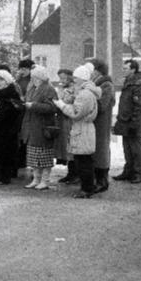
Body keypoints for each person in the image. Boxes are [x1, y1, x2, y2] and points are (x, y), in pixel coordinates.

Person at [53, 64, 101, 198]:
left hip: (82, 129)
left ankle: (86, 189)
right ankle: (86, 188)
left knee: (84, 161)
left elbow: (76, 113)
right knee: (83, 160)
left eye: (75, 78)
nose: (73, 80)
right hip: (83, 129)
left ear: (81, 78)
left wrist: (62, 105)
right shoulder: (85, 92)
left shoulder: (84, 94)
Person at [20, 65, 59, 190]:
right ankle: (36, 179)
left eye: (35, 77)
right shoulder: (32, 88)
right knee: (33, 156)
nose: (33, 79)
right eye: (32, 77)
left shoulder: (49, 89)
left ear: (41, 78)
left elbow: (52, 107)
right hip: (31, 126)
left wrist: (34, 105)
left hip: (43, 127)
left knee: (44, 156)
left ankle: (45, 180)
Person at [112, 59, 141, 184]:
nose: (123, 70)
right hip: (125, 121)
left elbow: (140, 106)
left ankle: (138, 173)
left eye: (125, 68)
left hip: (133, 122)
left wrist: (134, 123)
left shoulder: (138, 85)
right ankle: (128, 171)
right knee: (127, 147)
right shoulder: (129, 83)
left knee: (136, 148)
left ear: (133, 69)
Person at [87, 58, 116, 193]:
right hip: (95, 122)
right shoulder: (96, 83)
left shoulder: (106, 85)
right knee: (96, 150)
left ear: (98, 71)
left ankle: (102, 180)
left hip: (101, 123)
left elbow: (102, 105)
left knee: (101, 150)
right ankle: (97, 178)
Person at [55, 68, 79, 185]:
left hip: (70, 121)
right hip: (63, 121)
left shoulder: (74, 89)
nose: (62, 80)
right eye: (60, 78)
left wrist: (59, 102)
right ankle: (70, 173)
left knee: (72, 147)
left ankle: (75, 174)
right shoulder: (61, 88)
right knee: (66, 148)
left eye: (64, 78)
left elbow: (69, 102)